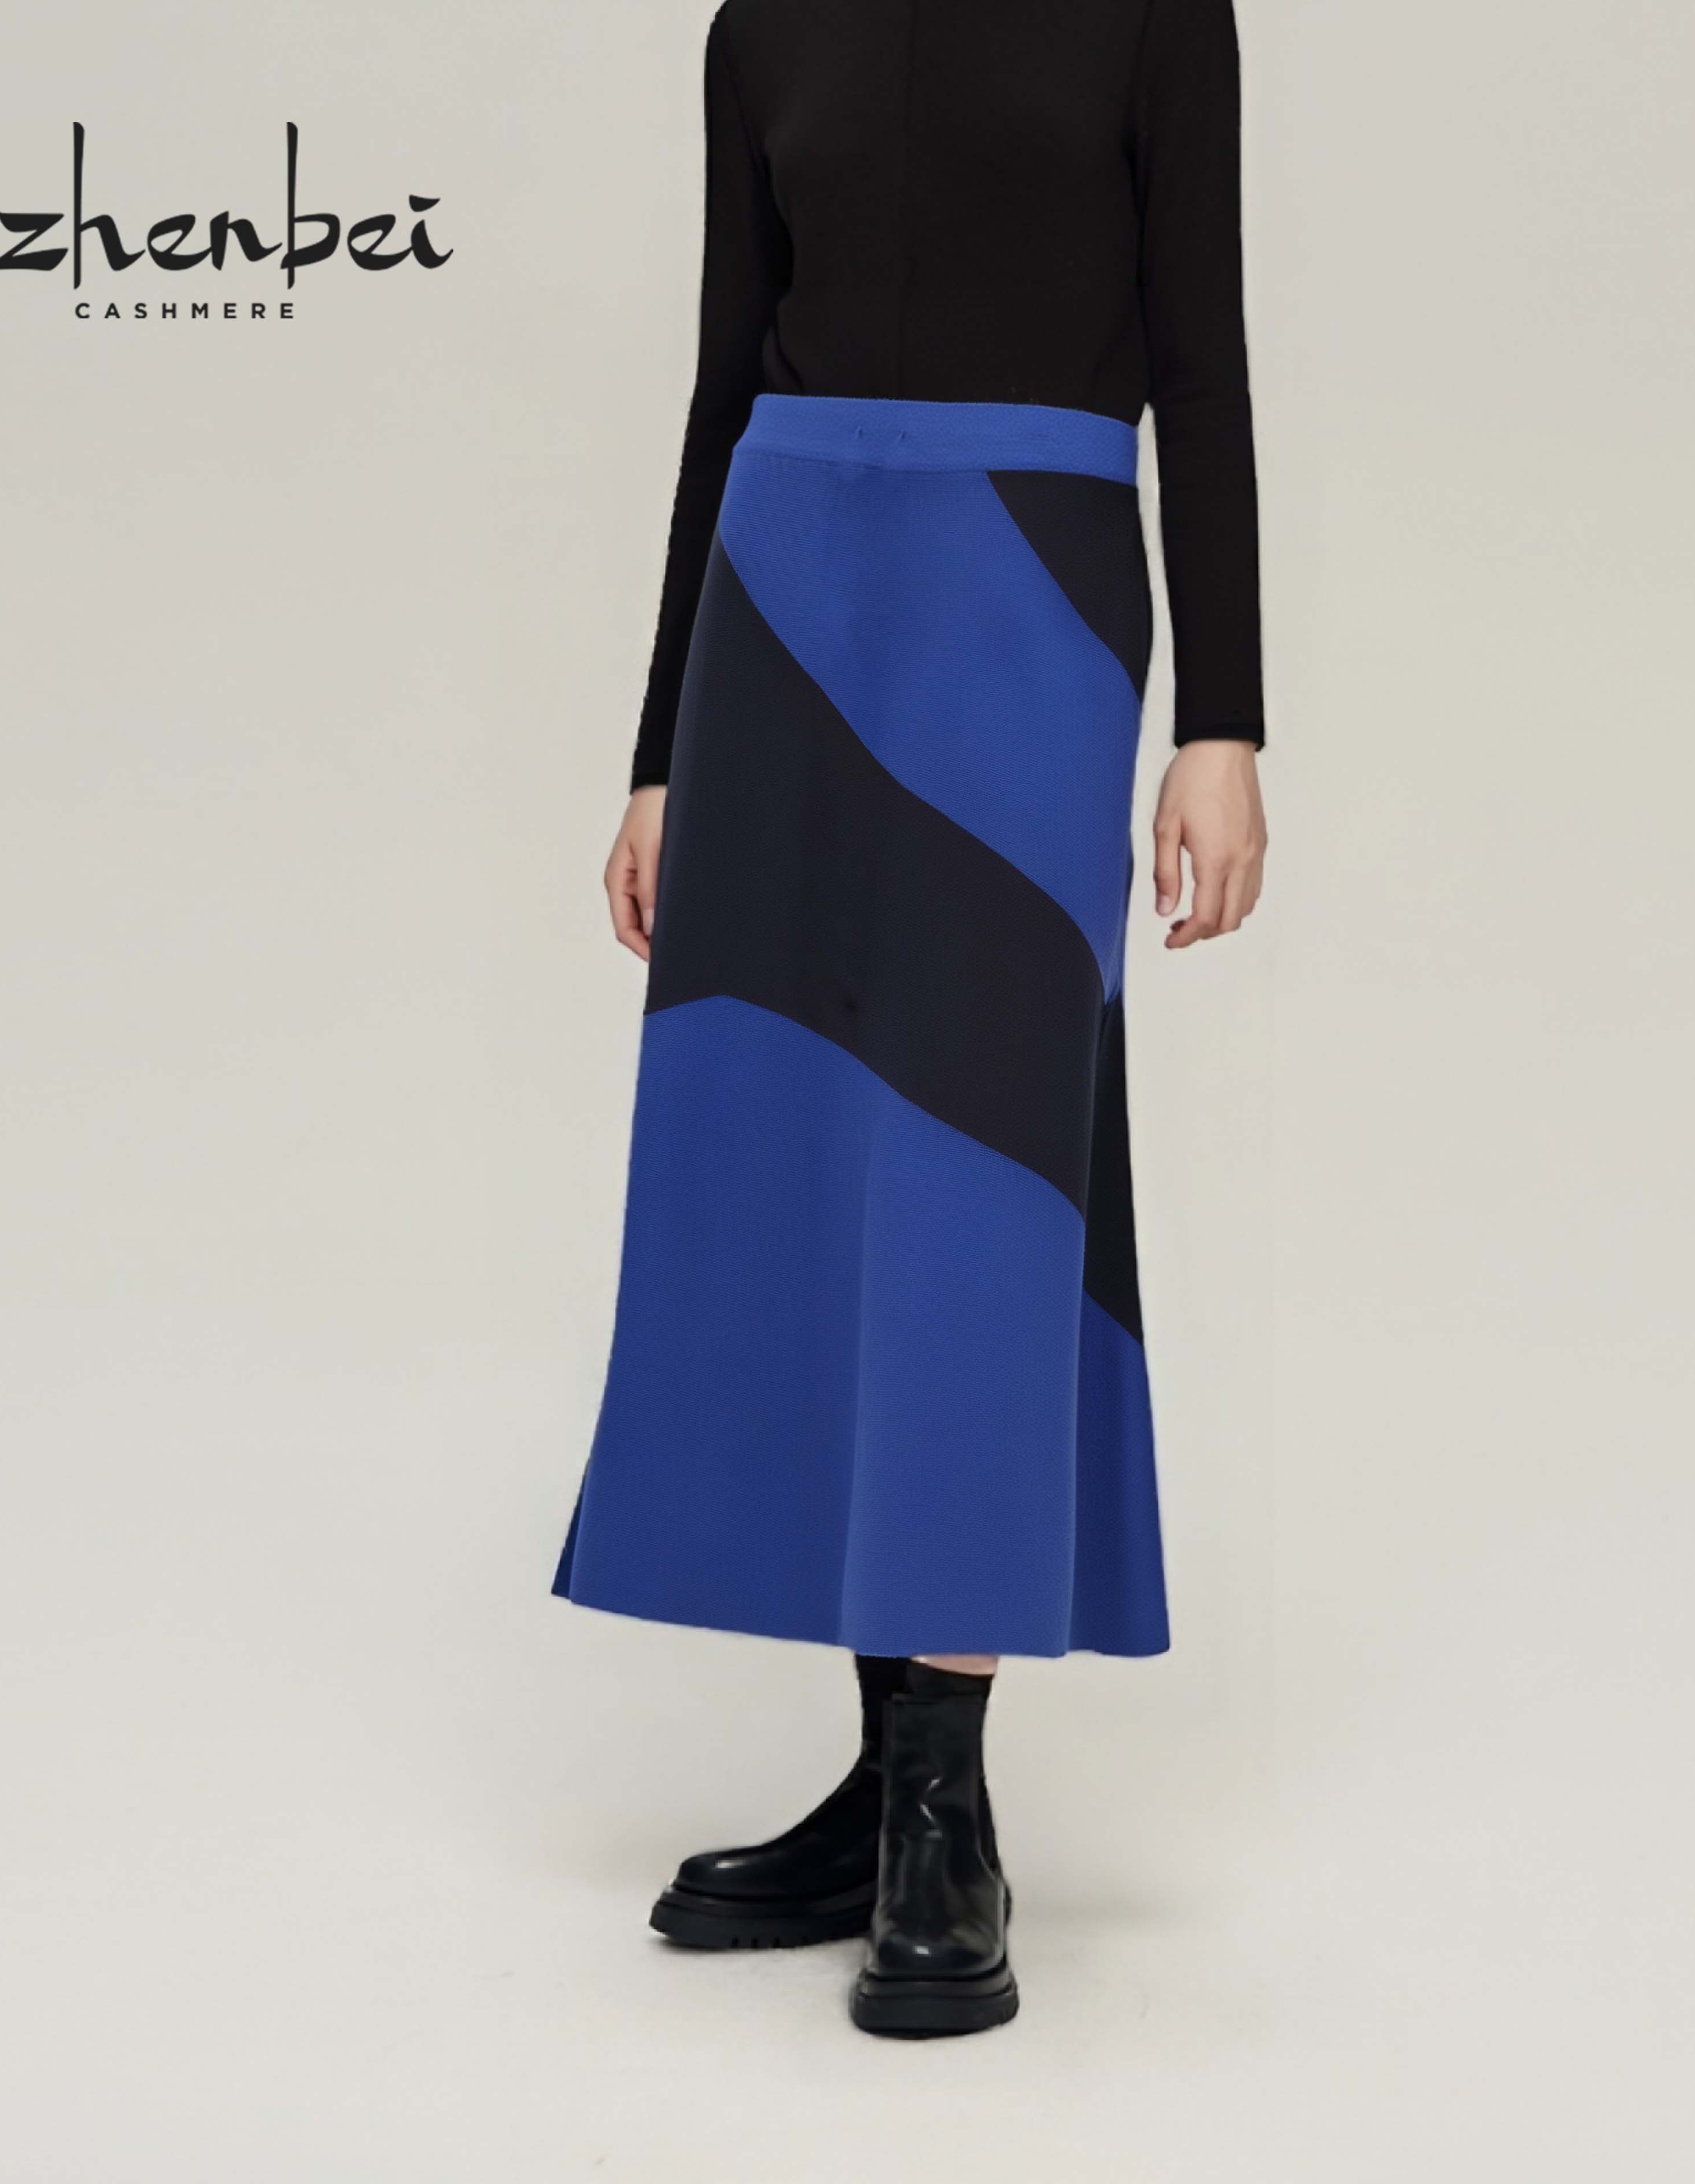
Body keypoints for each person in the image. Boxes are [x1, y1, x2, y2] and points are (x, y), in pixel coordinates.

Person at [554, 0, 1267, 2038]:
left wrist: (1224, 720)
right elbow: (723, 379)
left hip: (1027, 597)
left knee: (980, 1179)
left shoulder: (1156, 16)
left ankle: (949, 1808)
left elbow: (1203, 363)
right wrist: (659, 752)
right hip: (783, 602)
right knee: (805, 1175)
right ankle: (887, 1792)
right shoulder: (764, 23)